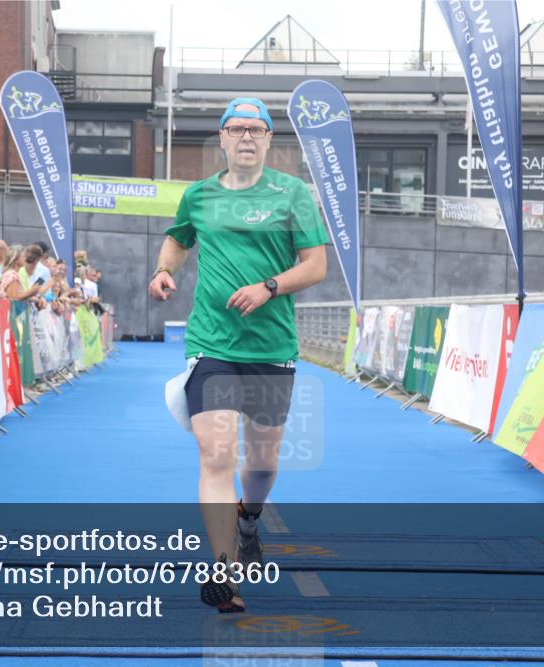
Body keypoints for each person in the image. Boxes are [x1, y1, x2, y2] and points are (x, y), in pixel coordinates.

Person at [147, 97, 329, 612]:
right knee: (217, 454)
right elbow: (178, 242)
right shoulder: (199, 196)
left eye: (257, 129)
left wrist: (269, 286)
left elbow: (315, 266)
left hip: (272, 348)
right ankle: (224, 571)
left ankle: (250, 518)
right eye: (236, 128)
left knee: (264, 462)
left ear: (269, 140)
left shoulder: (292, 193)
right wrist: (166, 270)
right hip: (212, 344)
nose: (247, 137)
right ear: (221, 138)